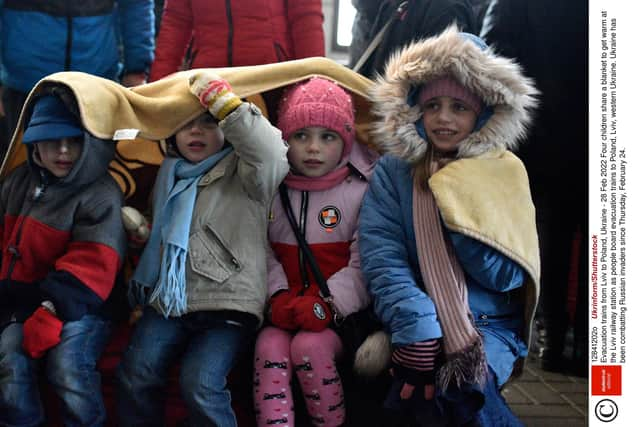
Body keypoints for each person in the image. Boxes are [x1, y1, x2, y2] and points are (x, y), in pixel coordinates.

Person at [358, 27, 540, 426]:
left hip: (487, 327)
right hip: (412, 318)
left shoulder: (502, 172)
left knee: (462, 402)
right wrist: (418, 324)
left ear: (483, 113)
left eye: (459, 107)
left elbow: (508, 276)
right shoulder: (393, 172)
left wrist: (461, 216)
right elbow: (382, 255)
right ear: (413, 109)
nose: (443, 118)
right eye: (432, 105)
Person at [115, 72, 289, 427]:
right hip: (169, 302)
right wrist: (143, 233)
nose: (196, 131)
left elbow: (271, 152)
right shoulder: (169, 175)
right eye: (186, 123)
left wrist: (227, 106)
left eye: (209, 123)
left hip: (228, 304)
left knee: (199, 383)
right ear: (172, 134)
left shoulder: (247, 172)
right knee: (135, 371)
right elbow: (167, 233)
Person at [252, 77, 376, 427]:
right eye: (301, 136)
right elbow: (259, 249)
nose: (313, 148)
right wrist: (275, 295)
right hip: (283, 308)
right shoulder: (272, 188)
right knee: (269, 346)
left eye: (327, 136)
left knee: (311, 347)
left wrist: (329, 304)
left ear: (346, 141)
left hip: (338, 315)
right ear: (284, 140)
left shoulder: (362, 191)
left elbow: (364, 263)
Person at [0, 93, 127, 426]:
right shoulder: (16, 183)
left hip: (84, 304)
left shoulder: (101, 193)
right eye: (51, 141)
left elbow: (93, 261)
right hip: (23, 301)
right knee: (10, 361)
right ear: (33, 145)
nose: (64, 152)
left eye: (74, 141)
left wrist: (52, 309)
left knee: (67, 366)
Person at [481, 0, 588, 375]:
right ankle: (584, 342)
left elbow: (496, 56)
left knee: (551, 239)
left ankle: (554, 339)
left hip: (545, 134)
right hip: (594, 131)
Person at [0, 0, 156, 158]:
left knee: (95, 168)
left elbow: (136, 5)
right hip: (24, 86)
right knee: (19, 172)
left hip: (95, 85)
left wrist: (136, 68)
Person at [149, 0, 325, 81]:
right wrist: (155, 91)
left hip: (271, 81)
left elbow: (306, 19)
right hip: (208, 84)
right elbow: (175, 23)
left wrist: (316, 81)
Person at [349, 0, 477, 78]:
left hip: (411, 118)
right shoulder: (393, 5)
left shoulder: (447, 7)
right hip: (384, 115)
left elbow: (443, 91)